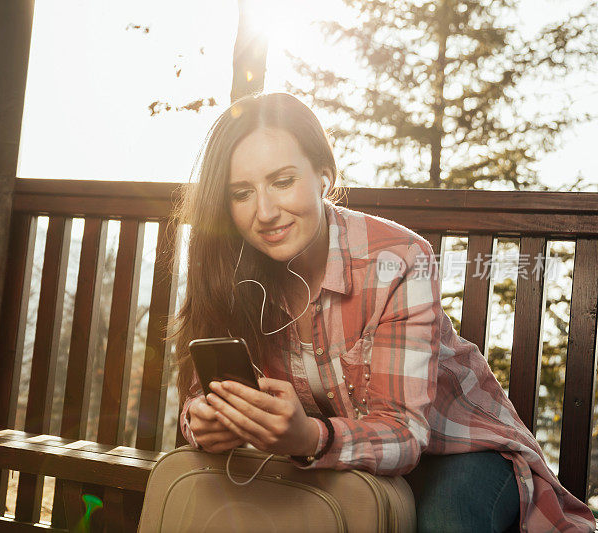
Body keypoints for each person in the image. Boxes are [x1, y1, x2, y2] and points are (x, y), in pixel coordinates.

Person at [174, 92, 595, 532]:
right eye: (241, 193)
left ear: (323, 175)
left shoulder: (398, 258)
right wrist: (204, 422)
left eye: (282, 181)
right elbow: (195, 398)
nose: (264, 212)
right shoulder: (229, 268)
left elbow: (407, 435)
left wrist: (309, 437)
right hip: (339, 460)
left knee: (443, 522)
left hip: (457, 448)